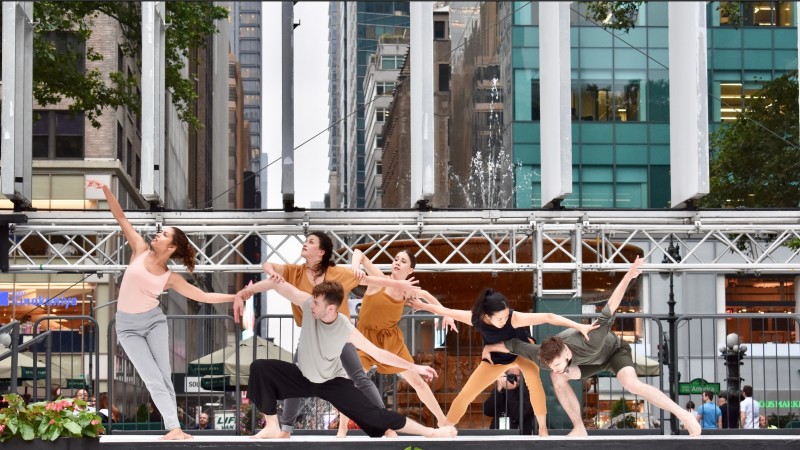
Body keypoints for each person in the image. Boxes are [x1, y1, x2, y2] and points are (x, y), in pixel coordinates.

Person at [87, 180, 242, 440]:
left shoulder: (170, 277)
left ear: (171, 247)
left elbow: (203, 295)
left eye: (164, 234)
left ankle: (175, 428)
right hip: (127, 327)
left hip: (154, 323)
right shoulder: (138, 249)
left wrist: (235, 295)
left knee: (164, 377)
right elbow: (120, 217)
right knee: (152, 377)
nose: (157, 234)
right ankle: (175, 428)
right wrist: (105, 190)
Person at [483, 257, 702, 437]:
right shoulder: (542, 355)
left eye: (558, 364)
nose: (556, 367)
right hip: (589, 364)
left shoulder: (591, 337)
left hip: (613, 353)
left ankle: (684, 415)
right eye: (552, 365)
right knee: (557, 379)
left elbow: (611, 306)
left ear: (567, 352)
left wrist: (629, 275)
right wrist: (489, 349)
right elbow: (513, 344)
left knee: (631, 383)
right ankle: (579, 428)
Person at [240, 280, 457, 439]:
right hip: (302, 376)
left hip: (332, 383)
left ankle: (430, 432)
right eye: (313, 301)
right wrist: (248, 291)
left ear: (331, 308)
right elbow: (280, 286)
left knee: (377, 416)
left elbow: (378, 353)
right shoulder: (308, 305)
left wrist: (413, 366)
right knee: (260, 368)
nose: (311, 305)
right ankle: (271, 426)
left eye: (317, 303)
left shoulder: (344, 327)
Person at [256, 232, 417, 437]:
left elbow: (369, 280)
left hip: (338, 334)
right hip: (311, 338)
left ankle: (385, 425)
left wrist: (398, 284)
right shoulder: (294, 271)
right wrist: (272, 272)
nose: (305, 244)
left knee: (359, 378)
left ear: (321, 252)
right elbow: (268, 264)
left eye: (310, 242)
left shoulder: (337, 274)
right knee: (296, 377)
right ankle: (286, 429)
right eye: (305, 241)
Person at [407, 288, 599, 436]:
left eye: (506, 315)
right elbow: (445, 310)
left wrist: (579, 325)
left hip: (520, 353)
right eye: (500, 318)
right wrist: (423, 305)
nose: (504, 320)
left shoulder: (513, 318)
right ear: (486, 316)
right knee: (466, 393)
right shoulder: (475, 319)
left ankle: (542, 429)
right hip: (496, 359)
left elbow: (548, 317)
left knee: (534, 382)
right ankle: (447, 427)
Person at [350, 249, 456, 428]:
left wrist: (446, 315)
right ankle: (343, 428)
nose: (397, 262)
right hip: (365, 339)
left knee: (417, 381)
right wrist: (355, 267)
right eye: (396, 259)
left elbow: (428, 296)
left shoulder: (407, 291)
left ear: (410, 270)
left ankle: (442, 420)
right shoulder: (379, 279)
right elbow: (359, 252)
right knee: (353, 379)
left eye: (403, 261)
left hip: (390, 340)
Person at [483, 367, 534, 434]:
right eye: (511, 375)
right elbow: (487, 411)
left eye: (518, 376)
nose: (515, 378)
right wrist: (498, 390)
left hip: (519, 437)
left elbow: (518, 415)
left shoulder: (528, 391)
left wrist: (509, 389)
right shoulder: (501, 389)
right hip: (498, 436)